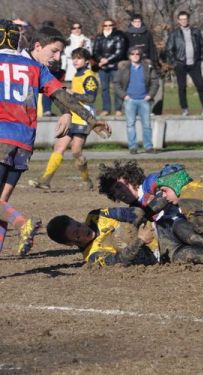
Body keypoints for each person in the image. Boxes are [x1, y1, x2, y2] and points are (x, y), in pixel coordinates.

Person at [0, 20, 110, 255]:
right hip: (23, 143)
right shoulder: (35, 68)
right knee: (2, 202)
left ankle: (23, 224)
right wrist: (91, 120)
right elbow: (61, 95)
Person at [29, 47, 99, 191]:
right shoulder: (76, 75)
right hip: (73, 115)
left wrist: (72, 94)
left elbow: (91, 98)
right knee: (59, 147)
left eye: (79, 58)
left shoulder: (89, 76)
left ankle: (87, 181)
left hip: (83, 118)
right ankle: (45, 180)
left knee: (76, 151)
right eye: (74, 58)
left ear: (86, 61)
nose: (75, 61)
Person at [165, 11, 203, 117]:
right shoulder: (174, 34)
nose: (183, 21)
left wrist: (200, 58)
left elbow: (202, 46)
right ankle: (184, 109)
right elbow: (169, 49)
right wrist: (175, 62)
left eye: (185, 19)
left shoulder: (196, 32)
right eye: (181, 19)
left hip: (194, 64)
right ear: (178, 21)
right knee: (182, 87)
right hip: (180, 64)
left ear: (188, 20)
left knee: (201, 86)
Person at [114, 46, 159, 154]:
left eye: (137, 54)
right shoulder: (124, 68)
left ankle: (148, 147)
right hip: (130, 100)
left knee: (147, 125)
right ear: (129, 56)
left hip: (144, 100)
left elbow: (155, 82)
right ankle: (132, 147)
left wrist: (150, 95)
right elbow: (116, 84)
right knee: (130, 124)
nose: (135, 56)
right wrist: (124, 96)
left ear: (140, 55)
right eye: (132, 54)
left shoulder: (148, 67)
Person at [124, 14, 163, 116]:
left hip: (146, 61)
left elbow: (152, 48)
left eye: (139, 22)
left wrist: (153, 61)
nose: (137, 24)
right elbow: (125, 49)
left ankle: (149, 109)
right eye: (135, 22)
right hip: (133, 62)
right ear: (132, 23)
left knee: (148, 85)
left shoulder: (147, 33)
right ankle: (134, 110)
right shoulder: (127, 34)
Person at [93, 18, 127, 116]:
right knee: (104, 88)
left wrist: (107, 60)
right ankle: (106, 109)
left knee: (117, 87)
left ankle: (118, 109)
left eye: (110, 25)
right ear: (102, 26)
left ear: (113, 26)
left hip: (115, 66)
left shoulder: (118, 36)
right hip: (102, 67)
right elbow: (95, 51)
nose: (108, 27)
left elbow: (119, 52)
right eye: (106, 25)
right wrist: (101, 60)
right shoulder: (99, 37)